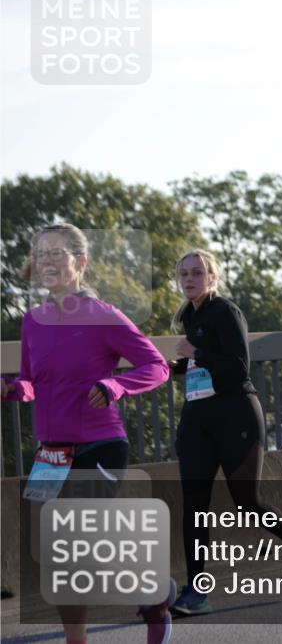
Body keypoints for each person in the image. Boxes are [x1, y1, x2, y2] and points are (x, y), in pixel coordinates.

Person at [1, 223, 174, 644]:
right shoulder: (33, 322)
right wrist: (13, 389)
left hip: (99, 442)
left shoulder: (104, 316)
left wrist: (113, 385)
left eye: (57, 253)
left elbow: (157, 367)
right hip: (51, 453)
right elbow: (31, 381)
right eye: (41, 253)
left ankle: (154, 595)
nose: (46, 261)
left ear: (80, 262)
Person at [168, 249, 282, 615]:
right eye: (184, 274)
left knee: (246, 503)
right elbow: (202, 365)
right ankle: (196, 591)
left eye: (197, 273)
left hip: (236, 418)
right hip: (198, 420)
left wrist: (196, 353)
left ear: (212, 277)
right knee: (194, 505)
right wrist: (177, 365)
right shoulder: (189, 316)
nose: (189, 279)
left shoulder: (226, 311)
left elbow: (237, 367)